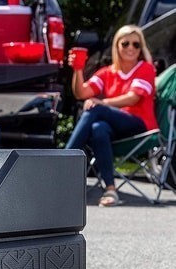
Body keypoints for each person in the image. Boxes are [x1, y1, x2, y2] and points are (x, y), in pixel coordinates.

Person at [65, 25, 158, 207]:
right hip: (114, 129)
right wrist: (77, 69)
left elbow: (133, 98)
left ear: (141, 48)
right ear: (117, 46)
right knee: (98, 128)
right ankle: (111, 190)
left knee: (96, 108)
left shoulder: (146, 68)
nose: (131, 48)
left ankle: (62, 160)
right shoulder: (107, 72)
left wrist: (102, 103)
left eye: (136, 44)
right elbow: (81, 93)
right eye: (125, 43)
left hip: (140, 126)